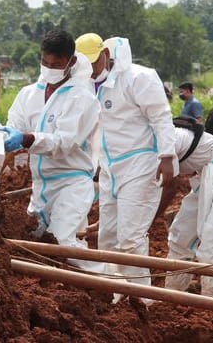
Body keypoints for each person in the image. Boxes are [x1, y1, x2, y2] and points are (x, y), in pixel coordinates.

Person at [0, 29, 105, 273]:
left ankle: (107, 286)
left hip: (71, 184)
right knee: (36, 243)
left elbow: (64, 143)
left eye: (56, 64)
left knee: (61, 243)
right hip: (40, 186)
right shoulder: (29, 94)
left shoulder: (82, 99)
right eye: (45, 62)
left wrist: (27, 139)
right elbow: (14, 129)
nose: (49, 68)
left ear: (71, 62)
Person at [76, 33, 177, 286]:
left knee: (131, 238)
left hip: (140, 165)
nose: (89, 69)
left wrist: (166, 156)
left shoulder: (138, 78)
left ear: (105, 55)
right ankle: (114, 296)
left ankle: (140, 299)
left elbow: (160, 117)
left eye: (92, 62)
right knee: (107, 236)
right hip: (111, 166)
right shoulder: (87, 84)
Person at [157, 123, 213, 297]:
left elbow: (170, 186)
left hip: (211, 170)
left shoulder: (161, 138)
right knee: (180, 236)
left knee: (212, 245)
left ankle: (210, 304)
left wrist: (150, 219)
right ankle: (172, 296)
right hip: (205, 173)